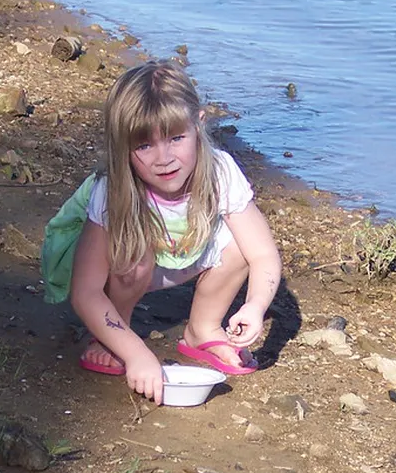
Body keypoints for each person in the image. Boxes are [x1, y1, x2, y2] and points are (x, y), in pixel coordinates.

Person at [66, 59, 282, 405]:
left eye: (176, 138)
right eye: (144, 146)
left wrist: (255, 307)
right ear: (123, 146)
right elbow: (85, 291)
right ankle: (113, 335)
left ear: (199, 125)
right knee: (131, 257)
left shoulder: (220, 172)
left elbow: (263, 254)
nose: (163, 158)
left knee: (241, 246)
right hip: (128, 269)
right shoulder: (114, 190)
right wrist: (138, 354)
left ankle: (203, 330)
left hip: (186, 255)